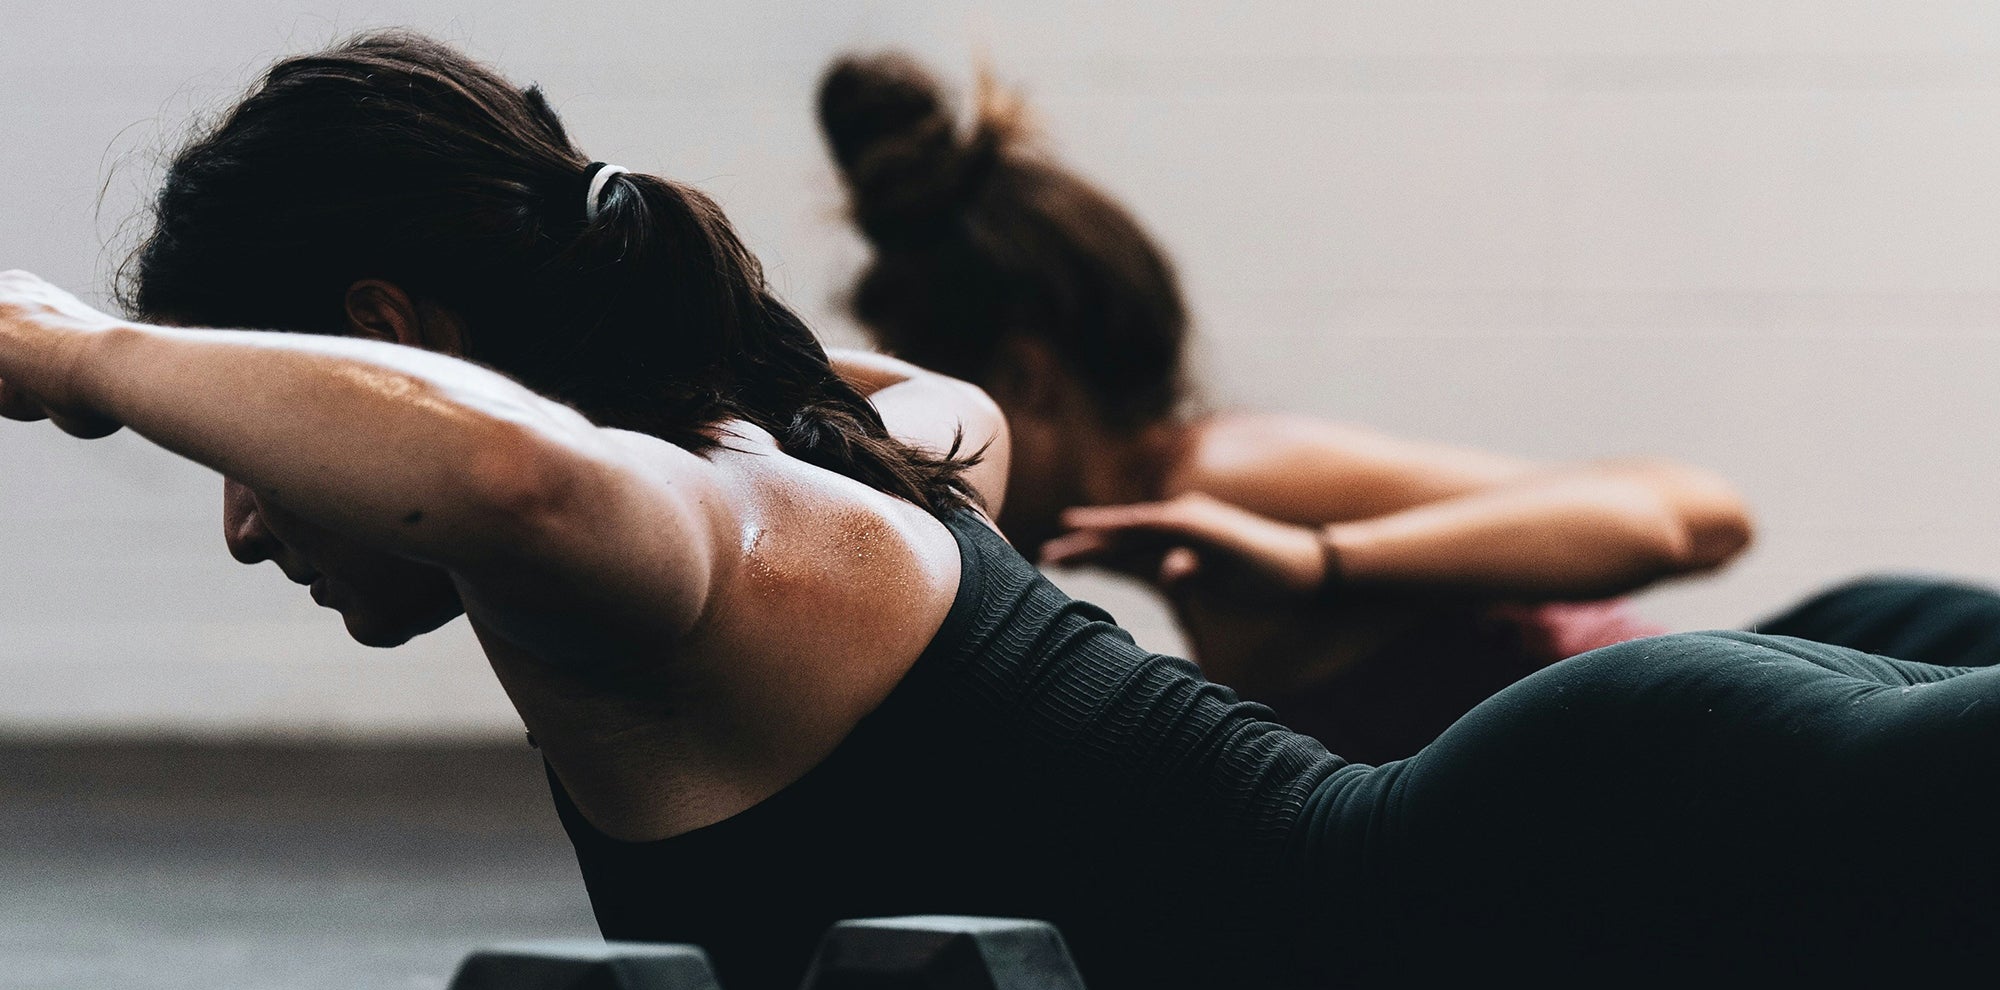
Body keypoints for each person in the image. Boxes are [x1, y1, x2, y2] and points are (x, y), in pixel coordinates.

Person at [5, 32, 1999, 990]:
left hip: (1574, 873)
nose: (252, 518)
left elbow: (507, 465)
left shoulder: (671, 545)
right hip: (1592, 829)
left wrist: (78, 354)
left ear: (385, 339)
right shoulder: (855, 441)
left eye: (250, 436)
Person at [816, 52, 2000, 762]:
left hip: (1827, 707)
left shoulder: (1229, 477)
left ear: (1025, 380)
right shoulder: (1189, 538)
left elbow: (1691, 515)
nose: (913, 462)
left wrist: (1324, 562)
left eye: (926, 415)